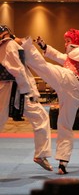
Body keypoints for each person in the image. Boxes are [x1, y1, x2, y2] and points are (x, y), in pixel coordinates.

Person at [17, 23, 79, 174]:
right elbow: (59, 56)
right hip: (76, 92)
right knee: (65, 125)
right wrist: (45, 46)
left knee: (43, 67)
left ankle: (25, 45)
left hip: (69, 79)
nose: (65, 44)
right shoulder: (72, 56)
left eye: (67, 40)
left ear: (75, 42)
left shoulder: (78, 50)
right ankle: (63, 162)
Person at [0, 25, 53, 172]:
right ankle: (41, 154)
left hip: (11, 87)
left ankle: (41, 154)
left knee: (41, 117)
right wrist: (26, 89)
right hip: (13, 88)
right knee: (41, 117)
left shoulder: (9, 44)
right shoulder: (8, 45)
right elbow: (17, 69)